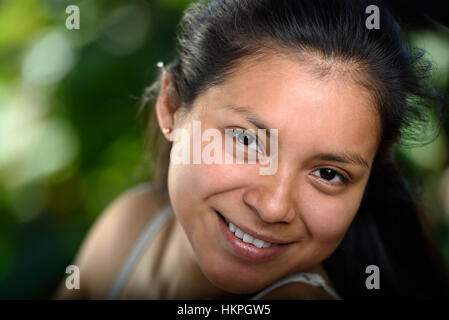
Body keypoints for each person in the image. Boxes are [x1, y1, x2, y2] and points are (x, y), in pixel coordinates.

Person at [57, 0, 449, 299]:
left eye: (329, 174)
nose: (275, 206)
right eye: (247, 141)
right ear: (172, 106)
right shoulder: (131, 225)